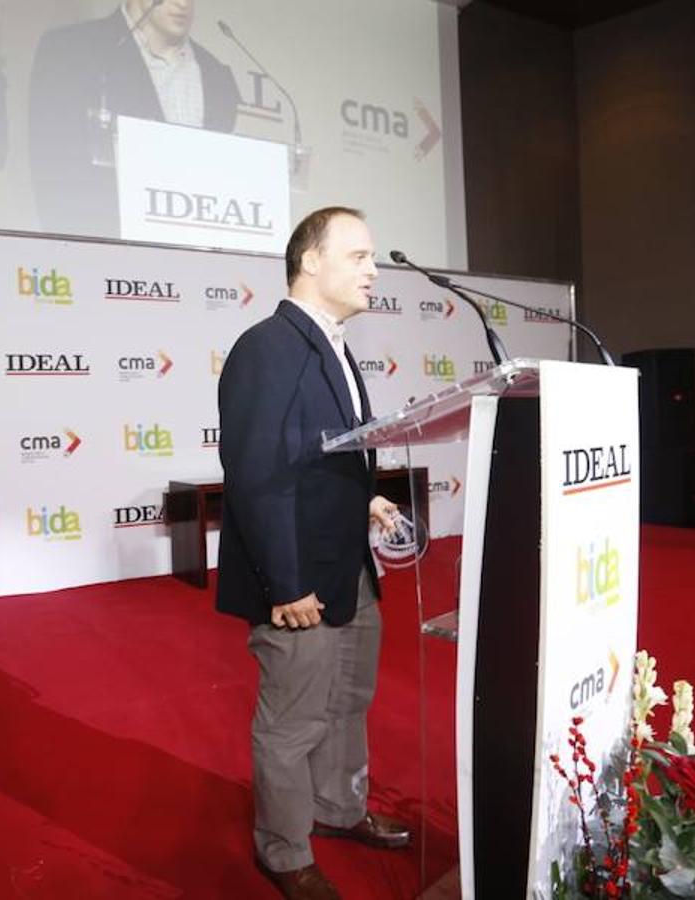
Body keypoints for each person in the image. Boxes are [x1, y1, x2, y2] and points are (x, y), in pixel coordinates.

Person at [216, 207, 411, 900]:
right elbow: (258, 473)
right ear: (310, 262)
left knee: (348, 701)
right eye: (358, 255)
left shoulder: (331, 343)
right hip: (298, 578)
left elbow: (313, 459)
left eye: (372, 256)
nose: (373, 270)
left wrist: (367, 501)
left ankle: (337, 807)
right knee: (293, 718)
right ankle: (283, 848)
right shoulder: (267, 346)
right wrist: (285, 583)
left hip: (348, 565)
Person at [28, 0, 242, 237]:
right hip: (104, 258)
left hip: (202, 259)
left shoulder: (216, 74)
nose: (183, 4)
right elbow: (53, 172)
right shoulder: (70, 51)